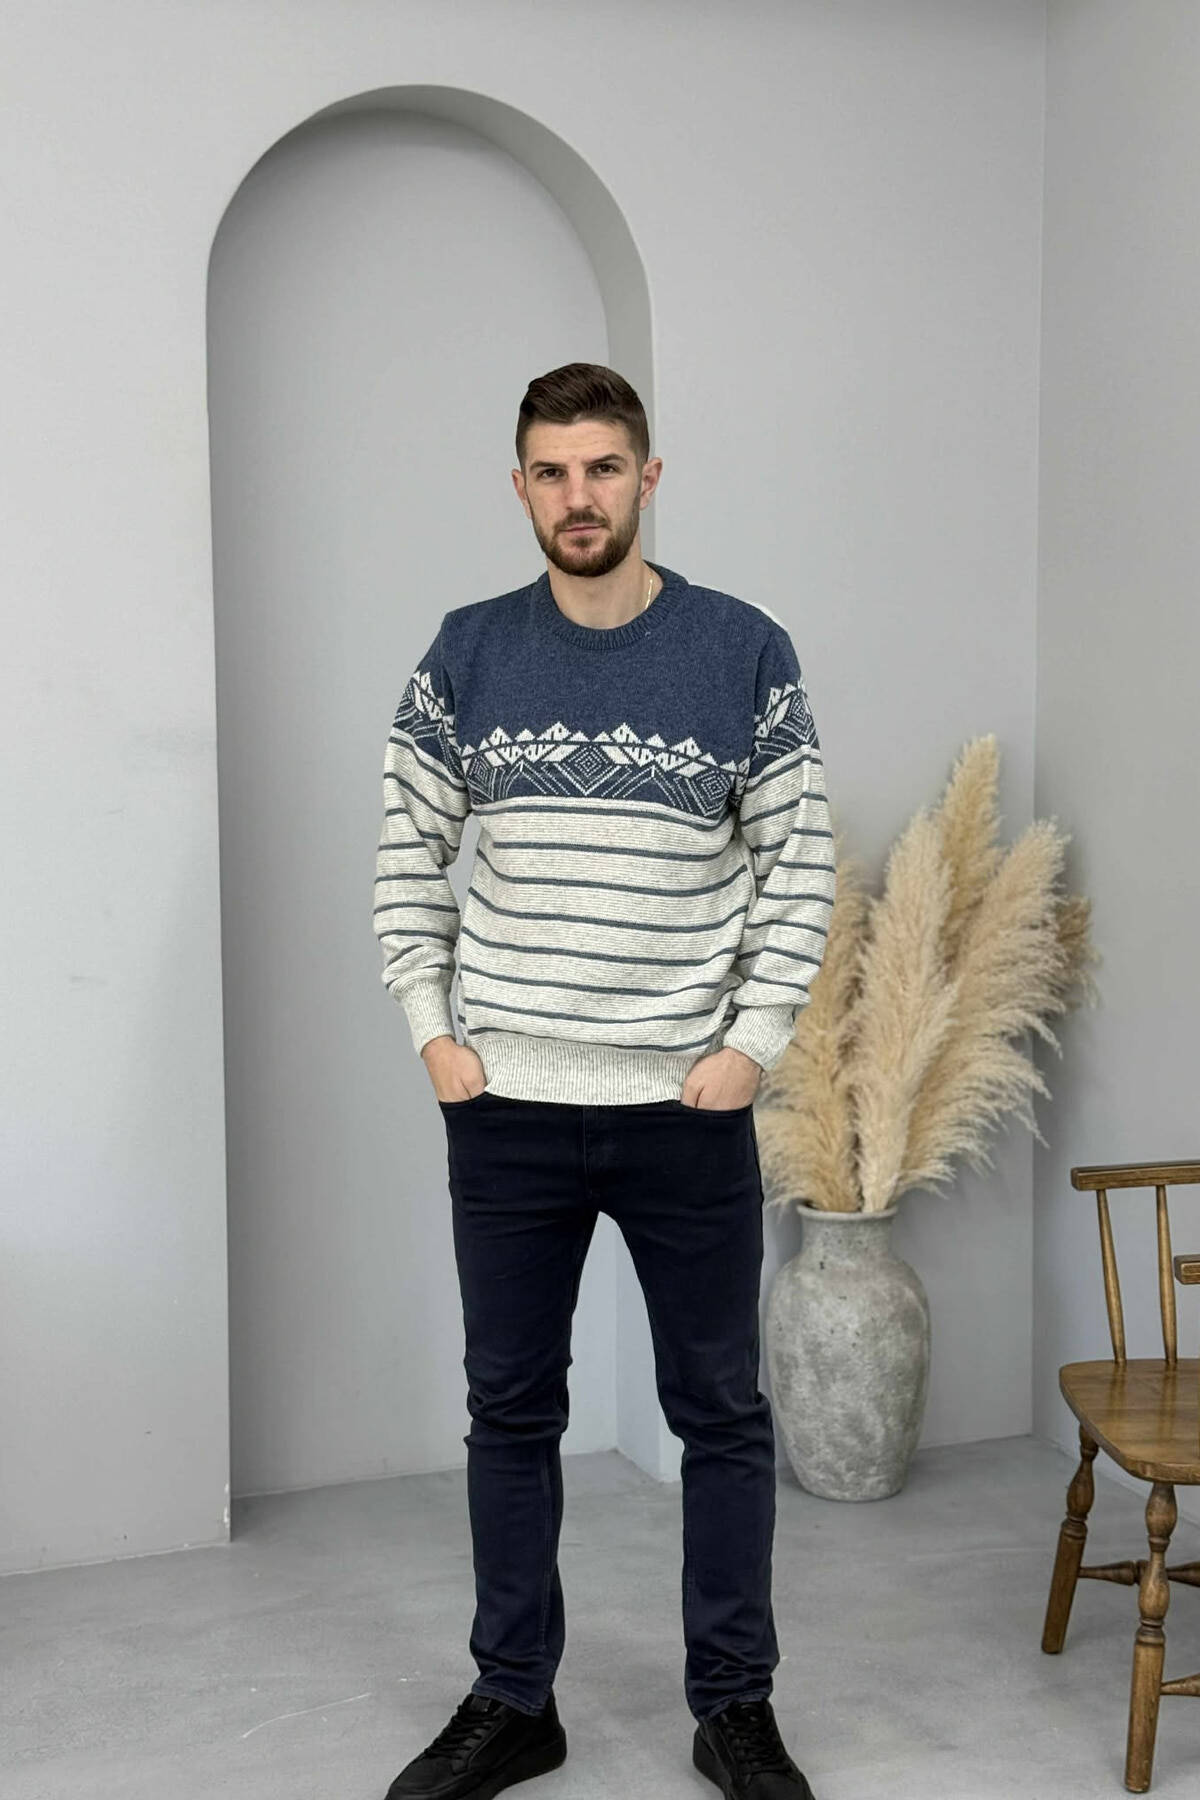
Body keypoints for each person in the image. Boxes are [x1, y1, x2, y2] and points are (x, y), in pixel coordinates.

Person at [373, 363, 835, 1800]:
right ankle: (513, 1700)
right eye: (552, 472)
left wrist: (751, 1047)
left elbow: (799, 867)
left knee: (722, 1416)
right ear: (521, 487)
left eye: (603, 468)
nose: (580, 496)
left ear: (648, 477)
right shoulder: (467, 652)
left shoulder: (742, 650)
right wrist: (434, 1033)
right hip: (506, 1106)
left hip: (685, 1109)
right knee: (511, 1411)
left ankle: (735, 1708)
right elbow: (406, 854)